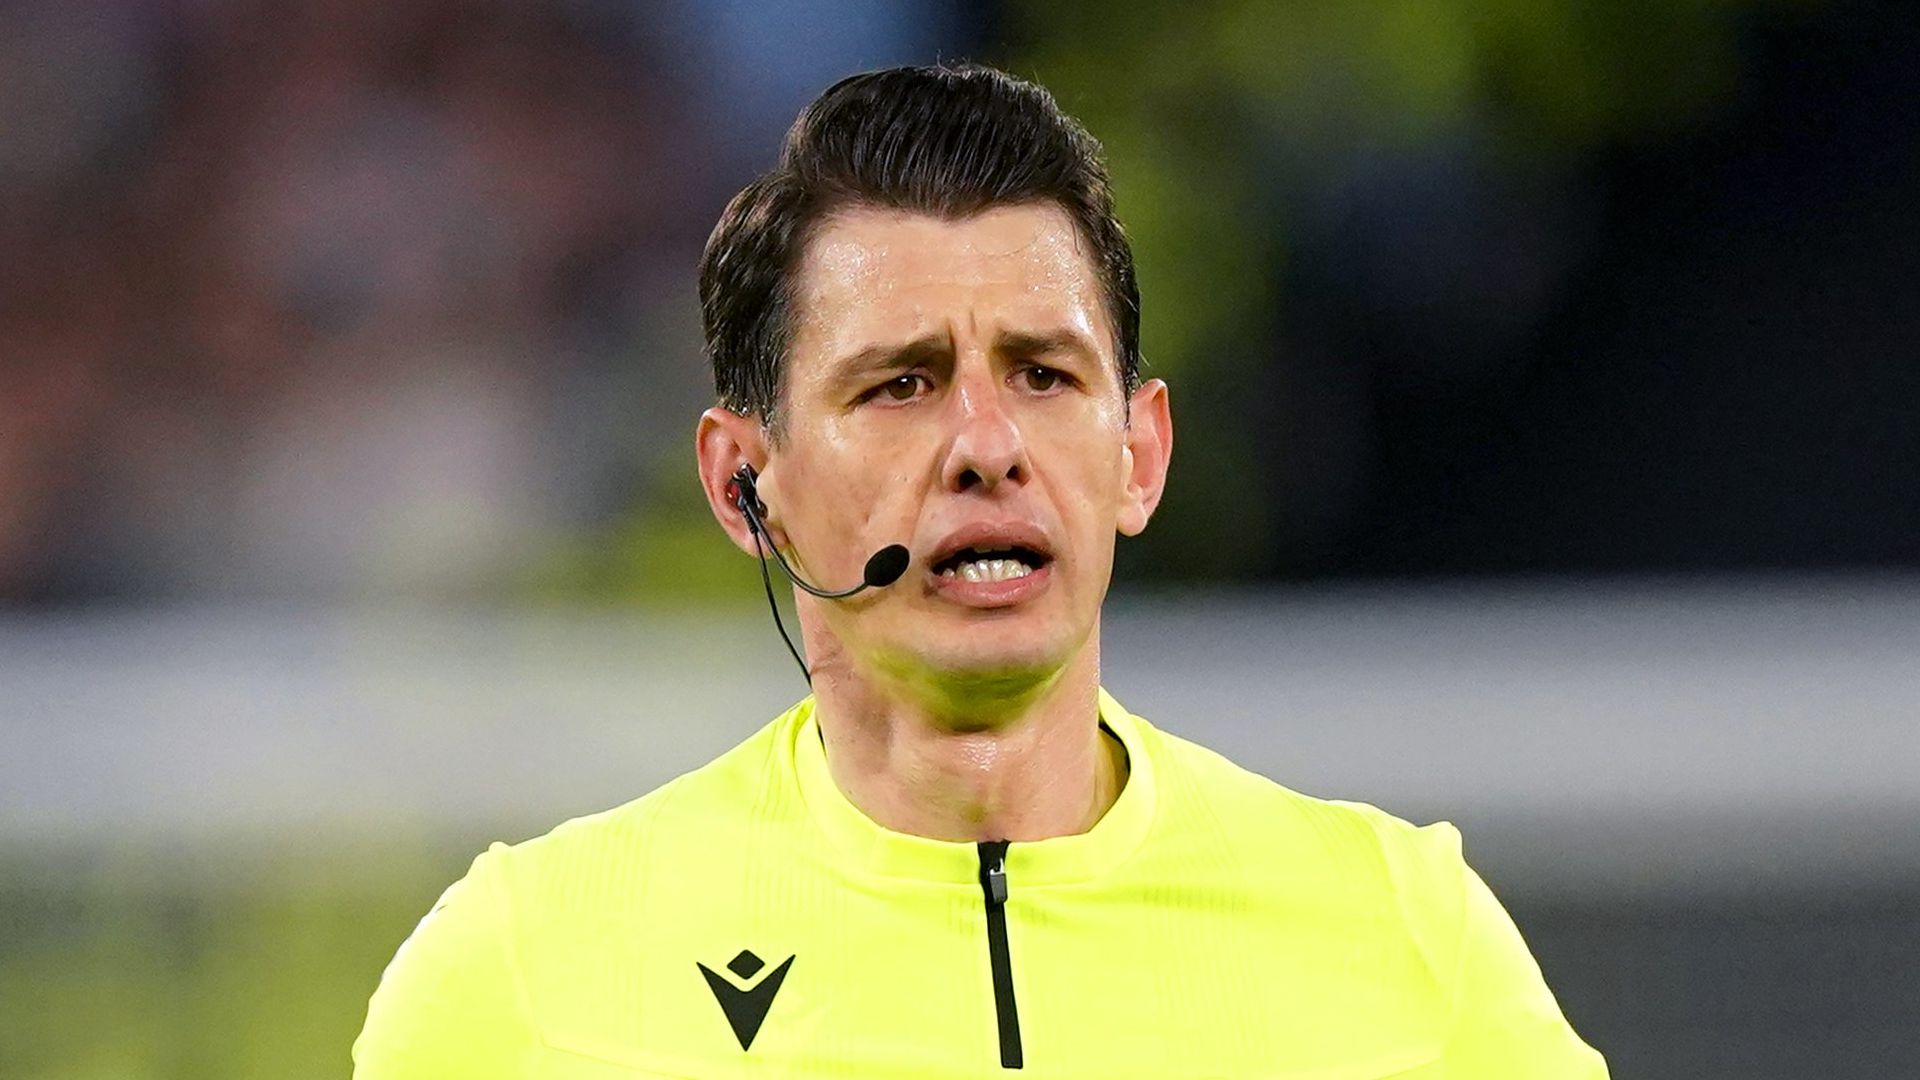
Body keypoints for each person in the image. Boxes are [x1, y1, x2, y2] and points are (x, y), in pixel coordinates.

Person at [352, 63, 1608, 1078]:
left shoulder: (1407, 937)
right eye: (899, 385)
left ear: (1140, 456)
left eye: (1044, 375)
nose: (986, 446)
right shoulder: (529, 969)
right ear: (745, 483)